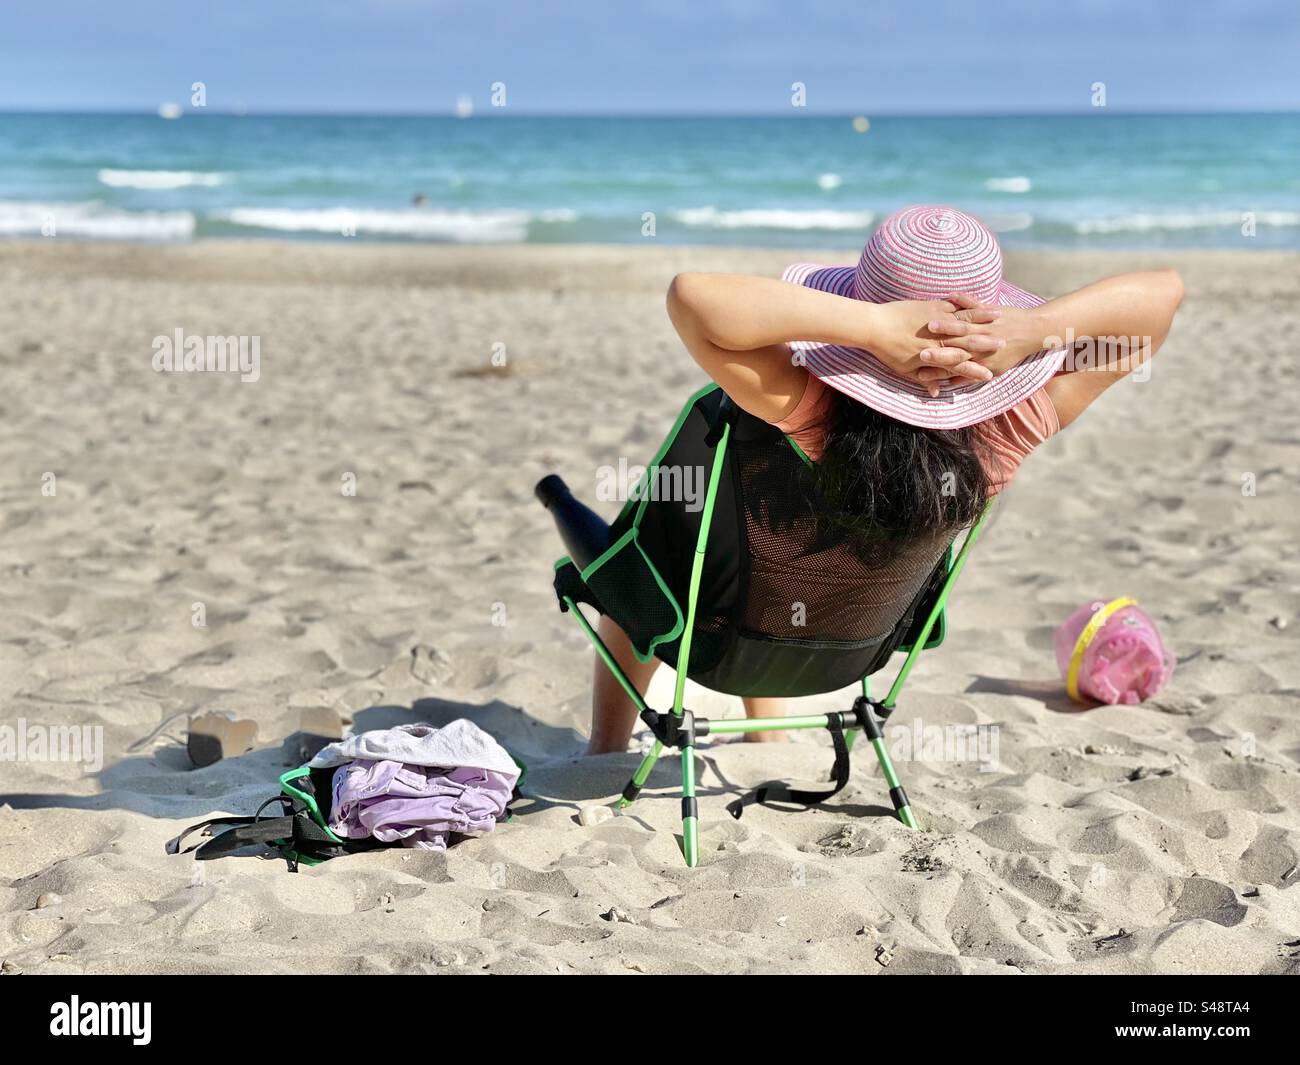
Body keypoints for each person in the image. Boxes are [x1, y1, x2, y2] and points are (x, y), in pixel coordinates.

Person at [586, 205, 1184, 754]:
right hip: (858, 653)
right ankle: (766, 737)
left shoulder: (805, 404)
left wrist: (872, 329)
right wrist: (1036, 329)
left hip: (723, 641)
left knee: (648, 574)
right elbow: (1162, 298)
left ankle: (604, 753)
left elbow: (692, 298)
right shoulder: (1011, 426)